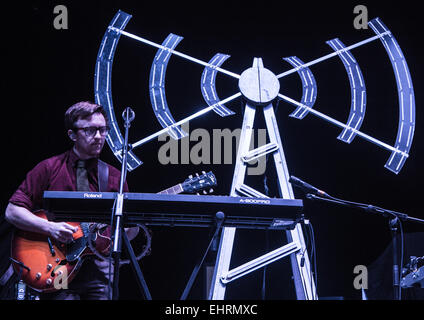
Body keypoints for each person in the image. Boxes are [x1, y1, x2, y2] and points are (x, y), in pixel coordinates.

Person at [5, 101, 138, 300]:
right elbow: (12, 211)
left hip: (98, 270)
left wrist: (122, 232)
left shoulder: (114, 177)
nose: (99, 136)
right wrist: (49, 228)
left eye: (103, 130)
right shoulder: (49, 169)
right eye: (90, 130)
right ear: (72, 135)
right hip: (57, 266)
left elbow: (130, 228)